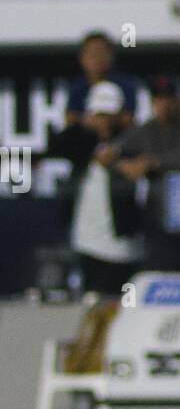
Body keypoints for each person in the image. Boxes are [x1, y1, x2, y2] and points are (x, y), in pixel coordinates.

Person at [99, 74, 180, 271]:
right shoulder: (145, 130)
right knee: (160, 265)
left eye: (167, 98)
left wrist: (153, 163)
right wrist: (124, 164)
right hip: (158, 213)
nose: (163, 104)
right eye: (158, 99)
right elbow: (110, 154)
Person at [70, 82, 144, 295]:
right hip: (89, 244)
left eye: (109, 115)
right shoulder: (79, 141)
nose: (104, 121)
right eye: (99, 115)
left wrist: (116, 159)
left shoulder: (134, 140)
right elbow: (63, 145)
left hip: (125, 245)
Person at [65, 31, 140, 132]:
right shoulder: (77, 87)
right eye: (92, 54)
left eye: (101, 52)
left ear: (111, 56)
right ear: (82, 58)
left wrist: (108, 120)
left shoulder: (125, 85)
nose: (97, 59)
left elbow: (129, 119)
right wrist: (89, 121)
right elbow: (70, 119)